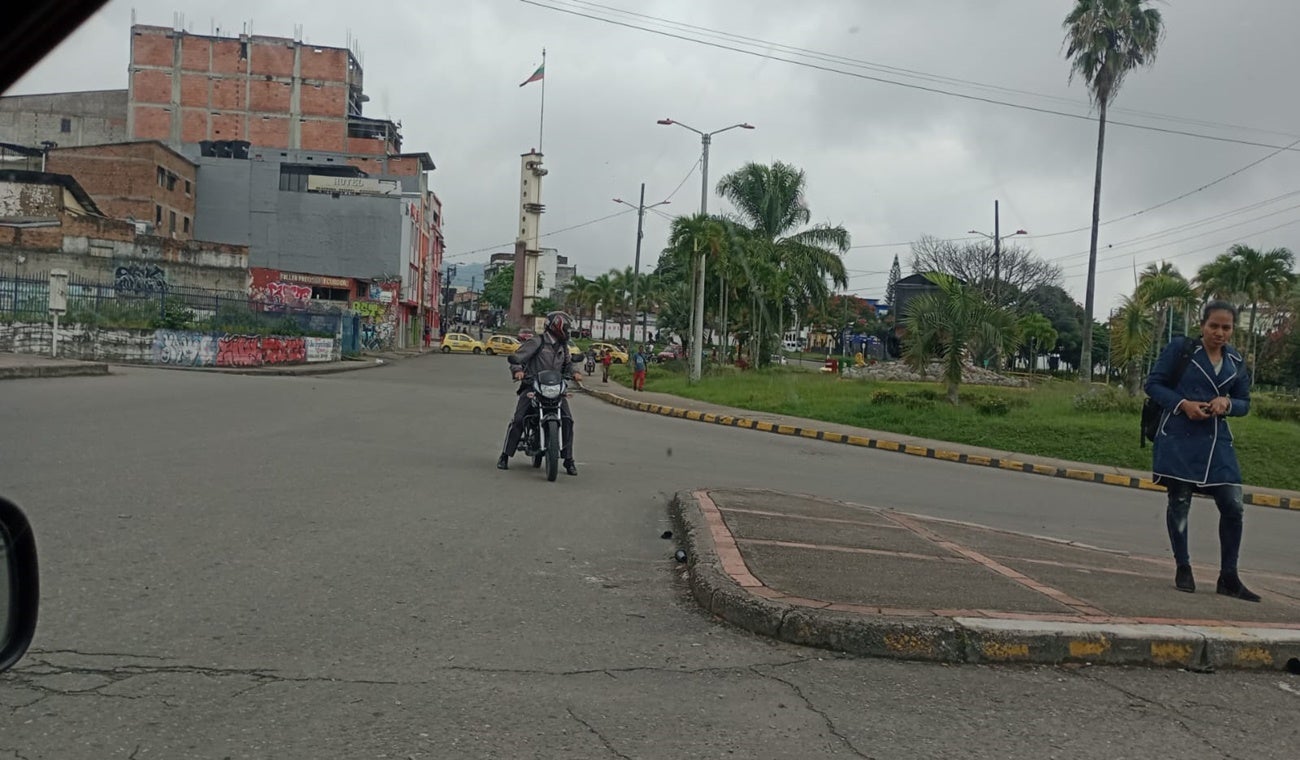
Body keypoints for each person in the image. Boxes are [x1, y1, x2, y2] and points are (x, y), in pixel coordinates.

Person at [1144, 300, 1258, 602]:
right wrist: (1184, 404)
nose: (1220, 333)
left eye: (1226, 327)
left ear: (1233, 330)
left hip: (1217, 443)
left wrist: (1228, 404)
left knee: (1233, 505)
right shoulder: (1181, 350)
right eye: (1214, 326)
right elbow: (1153, 385)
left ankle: (1229, 576)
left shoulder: (1234, 360)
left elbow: (1244, 402)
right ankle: (1183, 565)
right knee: (1179, 501)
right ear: (1202, 325)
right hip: (1179, 437)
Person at [497, 311, 581, 476]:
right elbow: (517, 358)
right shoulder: (537, 342)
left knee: (567, 420)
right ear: (556, 326)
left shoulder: (563, 346)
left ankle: (568, 460)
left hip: (555, 389)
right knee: (520, 419)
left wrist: (575, 372)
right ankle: (505, 455)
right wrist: (518, 371)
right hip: (533, 386)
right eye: (566, 327)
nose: (567, 330)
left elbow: (569, 364)